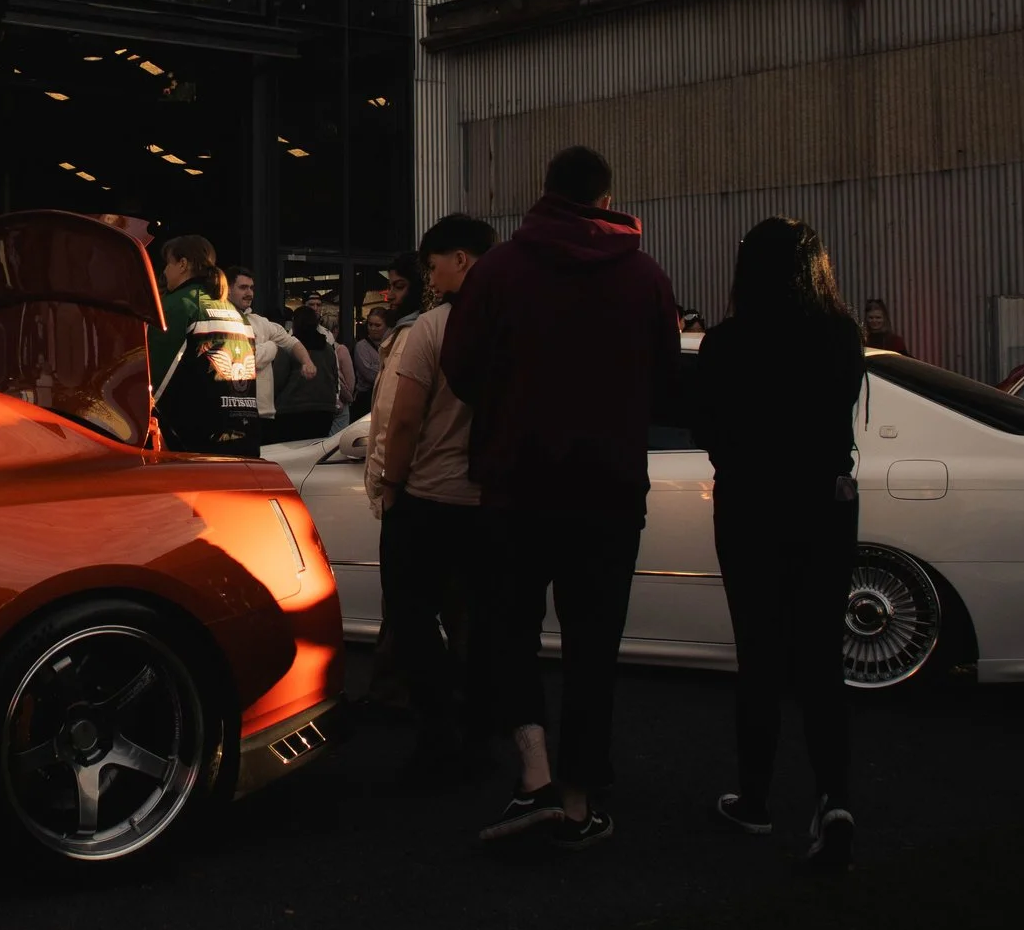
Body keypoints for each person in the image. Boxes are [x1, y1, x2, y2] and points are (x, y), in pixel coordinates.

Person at [442, 145, 679, 850]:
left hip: (516, 483)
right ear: (606, 199)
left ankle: (534, 772)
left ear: (545, 192)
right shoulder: (644, 278)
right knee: (593, 640)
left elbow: (460, 367)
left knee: (512, 625)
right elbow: (668, 382)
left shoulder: (500, 270)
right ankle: (579, 800)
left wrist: (511, 402)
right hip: (607, 488)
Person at [694, 218, 869, 868]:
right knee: (822, 655)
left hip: (750, 504)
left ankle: (756, 798)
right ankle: (835, 798)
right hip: (825, 502)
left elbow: (707, 425)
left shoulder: (727, 343)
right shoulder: (841, 336)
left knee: (759, 652)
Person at [367, 215, 497, 784]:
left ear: (462, 260)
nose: (430, 274)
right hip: (490, 501)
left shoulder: (435, 326)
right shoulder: (514, 321)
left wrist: (391, 485)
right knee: (478, 618)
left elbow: (403, 420)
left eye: (435, 262)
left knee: (413, 615)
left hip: (429, 497)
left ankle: (436, 733)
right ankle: (479, 733)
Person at [149, 234, 260, 456]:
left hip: (192, 445)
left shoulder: (177, 305)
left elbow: (152, 380)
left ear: (182, 264)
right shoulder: (237, 314)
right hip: (243, 440)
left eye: (167, 263)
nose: (164, 272)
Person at [227, 264, 315, 439]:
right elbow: (245, 361)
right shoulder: (220, 319)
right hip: (233, 413)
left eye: (251, 288)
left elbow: (291, 342)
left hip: (263, 413)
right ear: (227, 290)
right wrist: (271, 347)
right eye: (243, 287)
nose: (249, 293)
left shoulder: (260, 322)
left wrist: (307, 361)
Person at [273, 304, 348, 444]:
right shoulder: (327, 348)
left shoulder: (290, 347)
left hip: (292, 409)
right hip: (324, 410)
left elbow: (278, 378)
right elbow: (334, 376)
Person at [351, 305, 389, 418]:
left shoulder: (391, 344)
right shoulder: (361, 346)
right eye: (370, 324)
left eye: (377, 325)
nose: (373, 328)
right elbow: (369, 374)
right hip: (366, 399)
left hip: (385, 396)